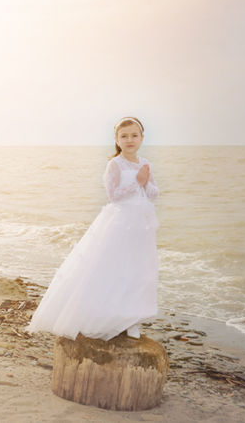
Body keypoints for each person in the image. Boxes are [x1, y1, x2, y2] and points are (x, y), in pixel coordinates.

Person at [27, 116, 160, 341]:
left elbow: (154, 193)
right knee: (114, 267)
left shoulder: (145, 163)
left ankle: (131, 318)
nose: (130, 140)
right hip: (120, 222)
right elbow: (114, 195)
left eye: (134, 135)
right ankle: (106, 315)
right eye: (124, 136)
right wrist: (137, 181)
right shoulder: (115, 164)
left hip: (141, 224)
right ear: (117, 140)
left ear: (142, 138)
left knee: (137, 269)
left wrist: (145, 181)